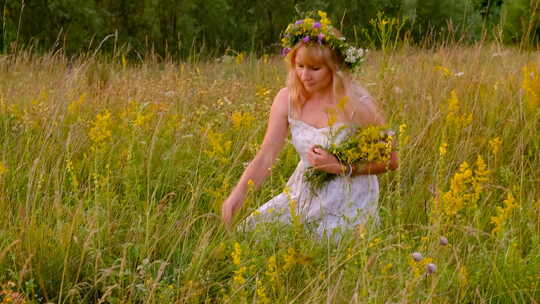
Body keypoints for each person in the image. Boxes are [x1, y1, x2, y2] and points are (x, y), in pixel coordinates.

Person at [221, 11, 398, 237]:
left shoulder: (356, 104)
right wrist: (238, 195)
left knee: (321, 244)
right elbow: (266, 155)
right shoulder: (287, 99)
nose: (305, 76)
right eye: (300, 66)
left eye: (315, 69)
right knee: (252, 233)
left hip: (350, 193)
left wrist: (341, 167)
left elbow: (391, 161)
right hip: (305, 189)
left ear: (334, 69)